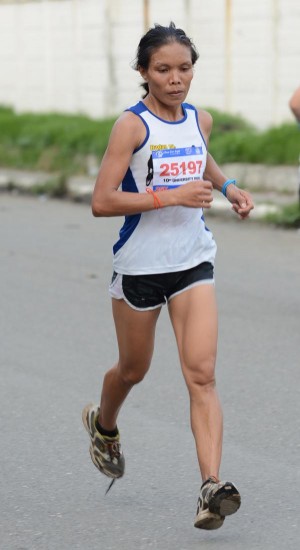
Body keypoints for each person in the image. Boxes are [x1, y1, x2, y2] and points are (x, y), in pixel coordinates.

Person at [82, 22, 254, 531]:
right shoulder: (131, 127)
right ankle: (104, 423)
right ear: (143, 72)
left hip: (193, 259)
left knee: (201, 374)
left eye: (184, 68)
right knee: (133, 369)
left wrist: (229, 187)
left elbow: (202, 160)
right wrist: (170, 197)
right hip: (139, 266)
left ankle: (210, 487)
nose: (176, 79)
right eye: (163, 70)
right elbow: (101, 201)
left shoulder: (201, 120)